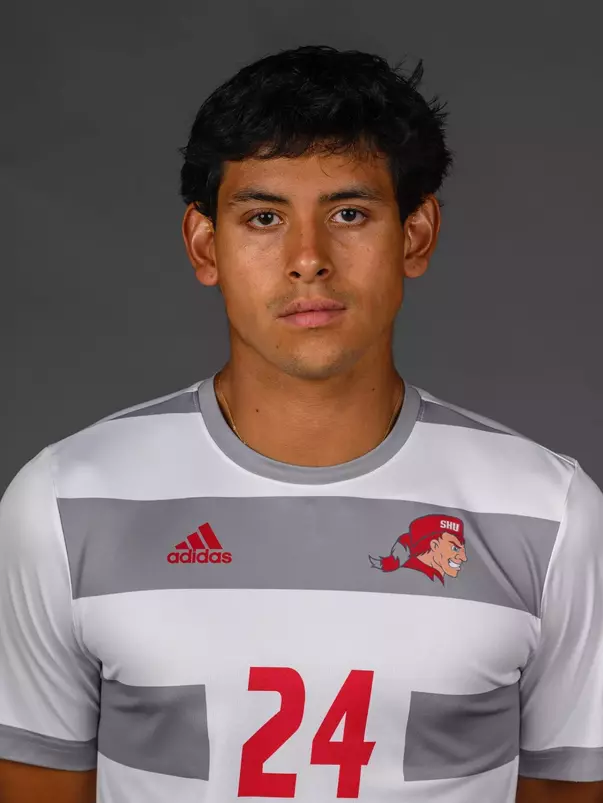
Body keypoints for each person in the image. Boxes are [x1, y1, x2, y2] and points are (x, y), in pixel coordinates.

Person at [0, 44, 601, 803]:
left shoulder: (549, 513)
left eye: (349, 213)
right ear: (203, 244)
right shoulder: (61, 504)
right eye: (262, 217)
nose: (307, 258)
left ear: (414, 236)